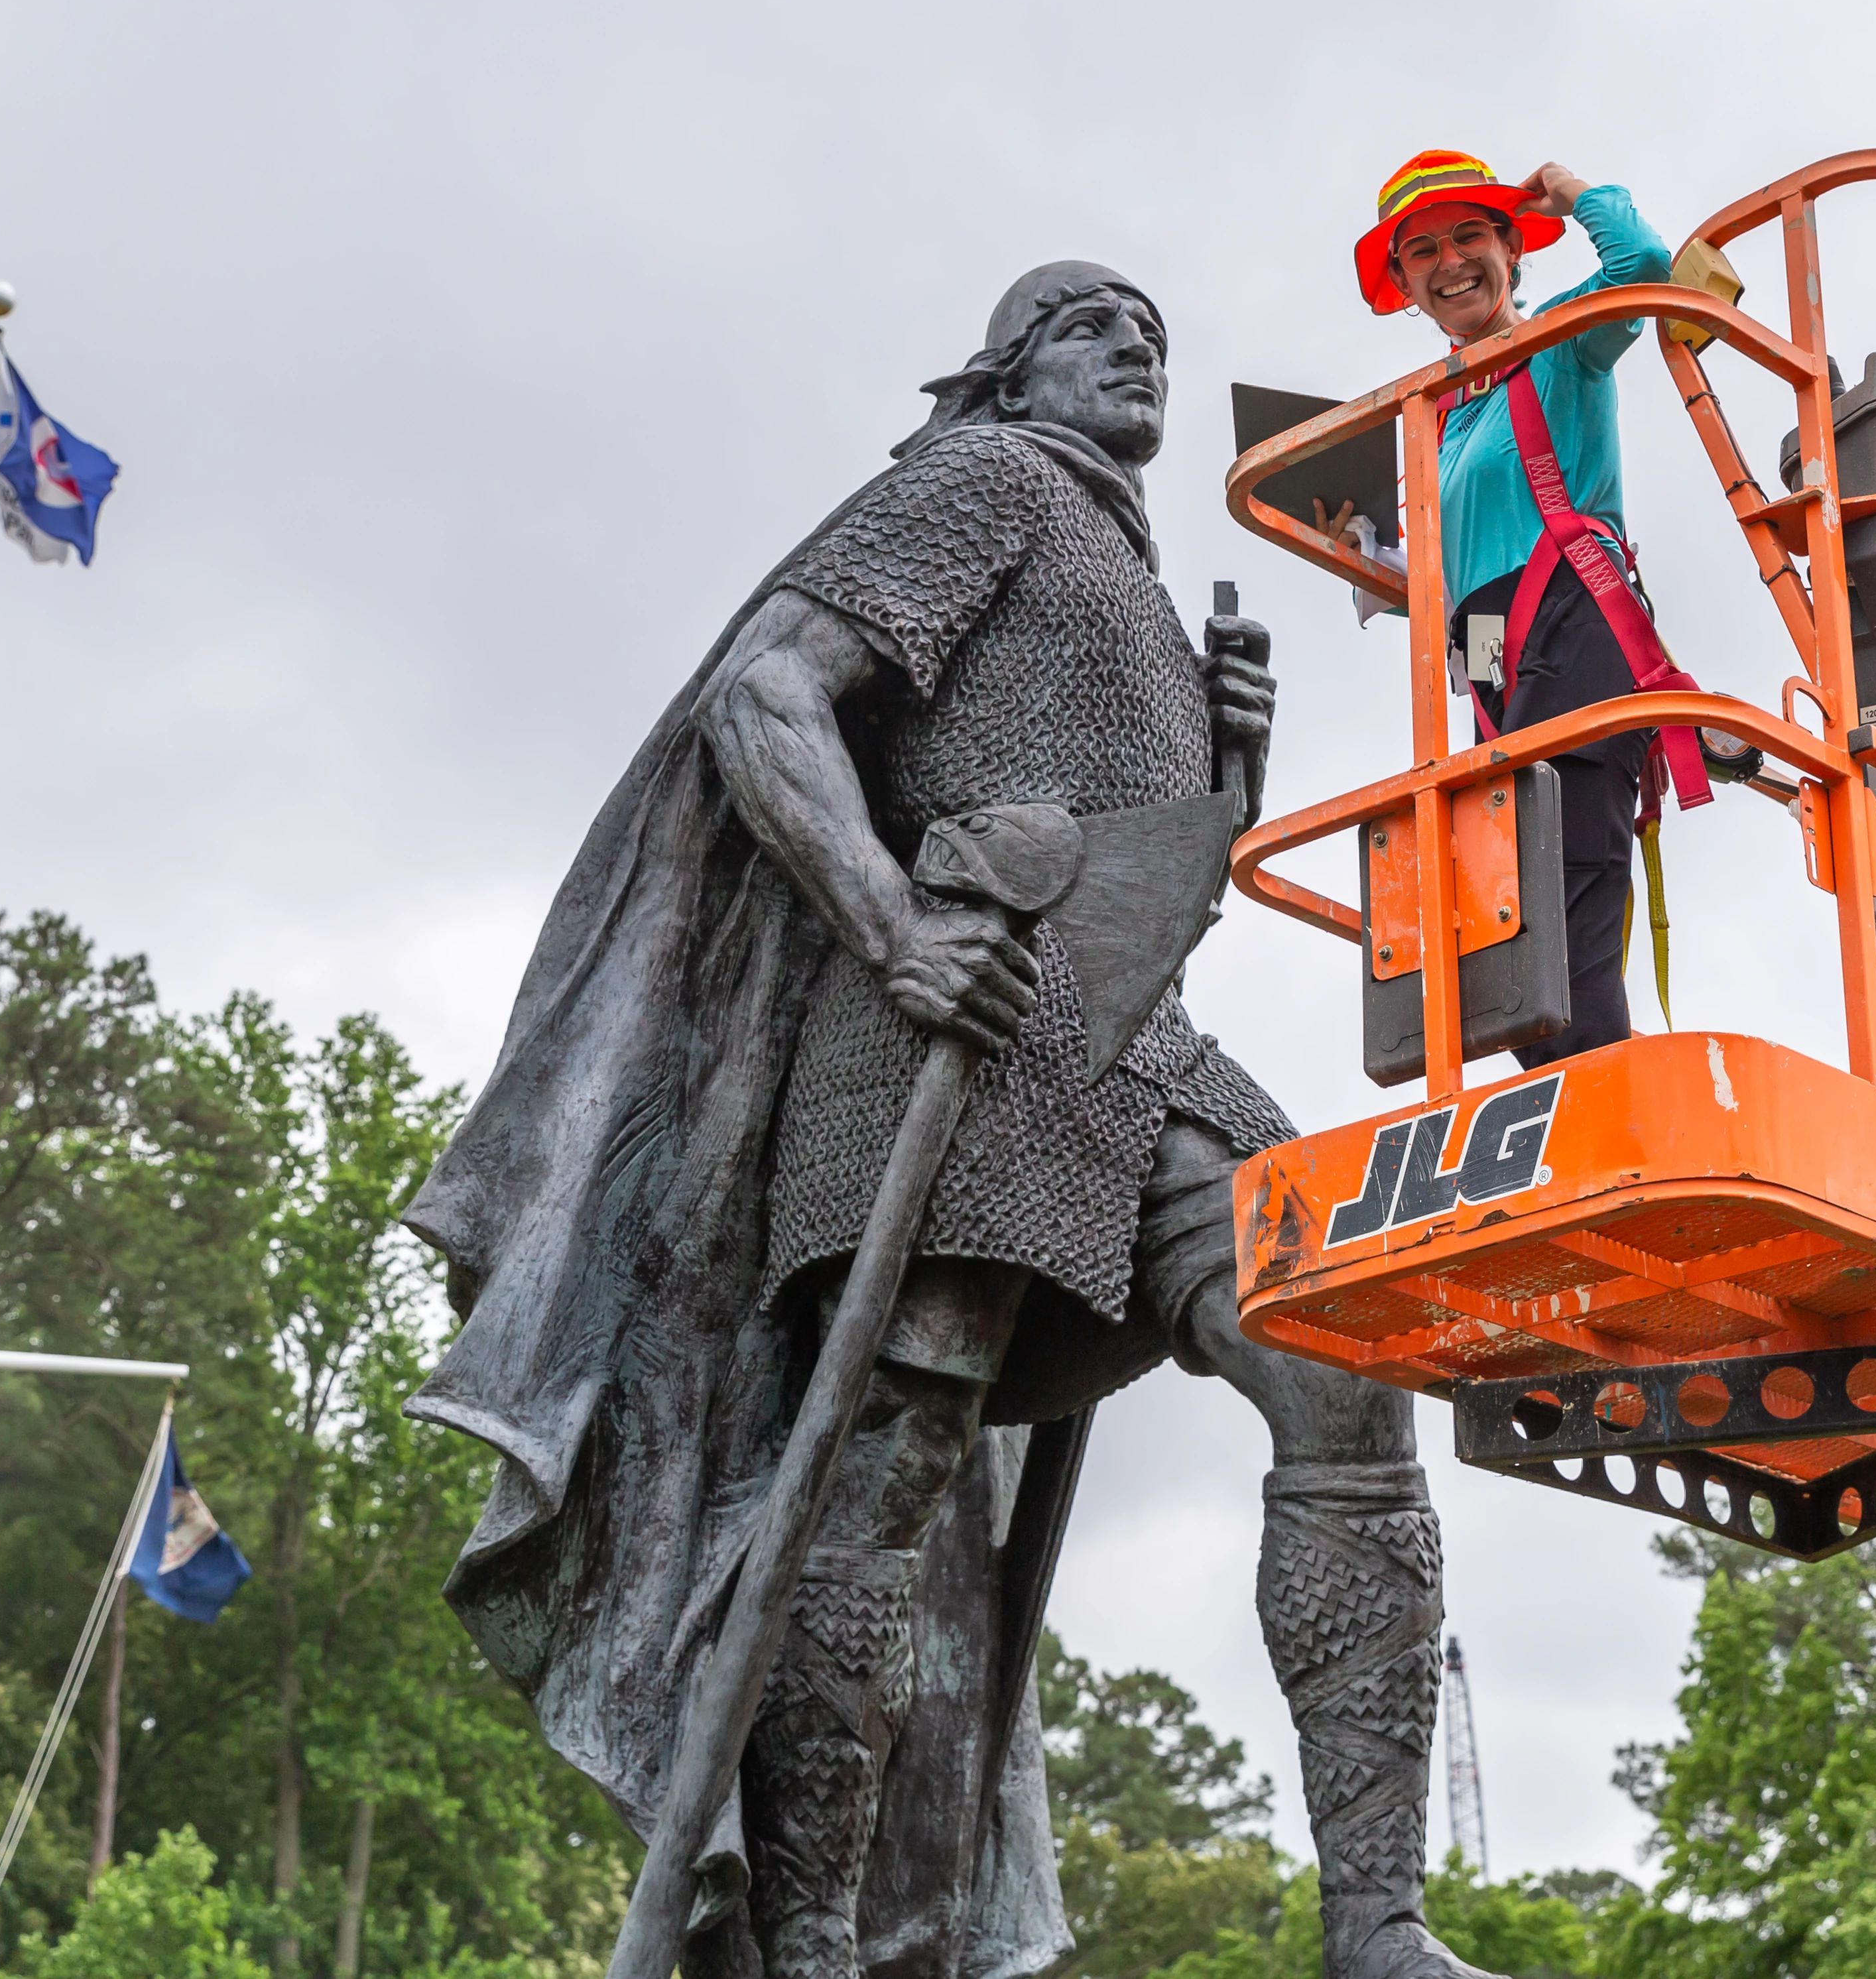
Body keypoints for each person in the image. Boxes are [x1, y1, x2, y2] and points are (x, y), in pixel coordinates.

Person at [403, 263, 1494, 1979]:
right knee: (885, 1480)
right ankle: (816, 1938)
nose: (1136, 343)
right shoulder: (983, 485)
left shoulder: (1118, 562)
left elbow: (1133, 866)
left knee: (1341, 1352)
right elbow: (762, 695)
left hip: (1139, 1051)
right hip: (954, 1044)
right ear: (1005, 374)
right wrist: (894, 925)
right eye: (1090, 323)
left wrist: (1223, 788)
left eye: (1154, 329)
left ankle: (1380, 1924)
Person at [1352, 148, 1712, 1059]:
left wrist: (1575, 190)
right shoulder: (1433, 416)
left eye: (1471, 235)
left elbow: (1643, 267)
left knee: (1564, 897)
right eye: (1423, 249)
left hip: (1576, 624)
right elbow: (1449, 581)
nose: (1451, 262)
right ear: (1403, 281)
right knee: (1503, 921)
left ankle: (1608, 1128)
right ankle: (1578, 1115)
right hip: (1486, 653)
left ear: (1513, 249)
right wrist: (1362, 556)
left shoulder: (1560, 339)